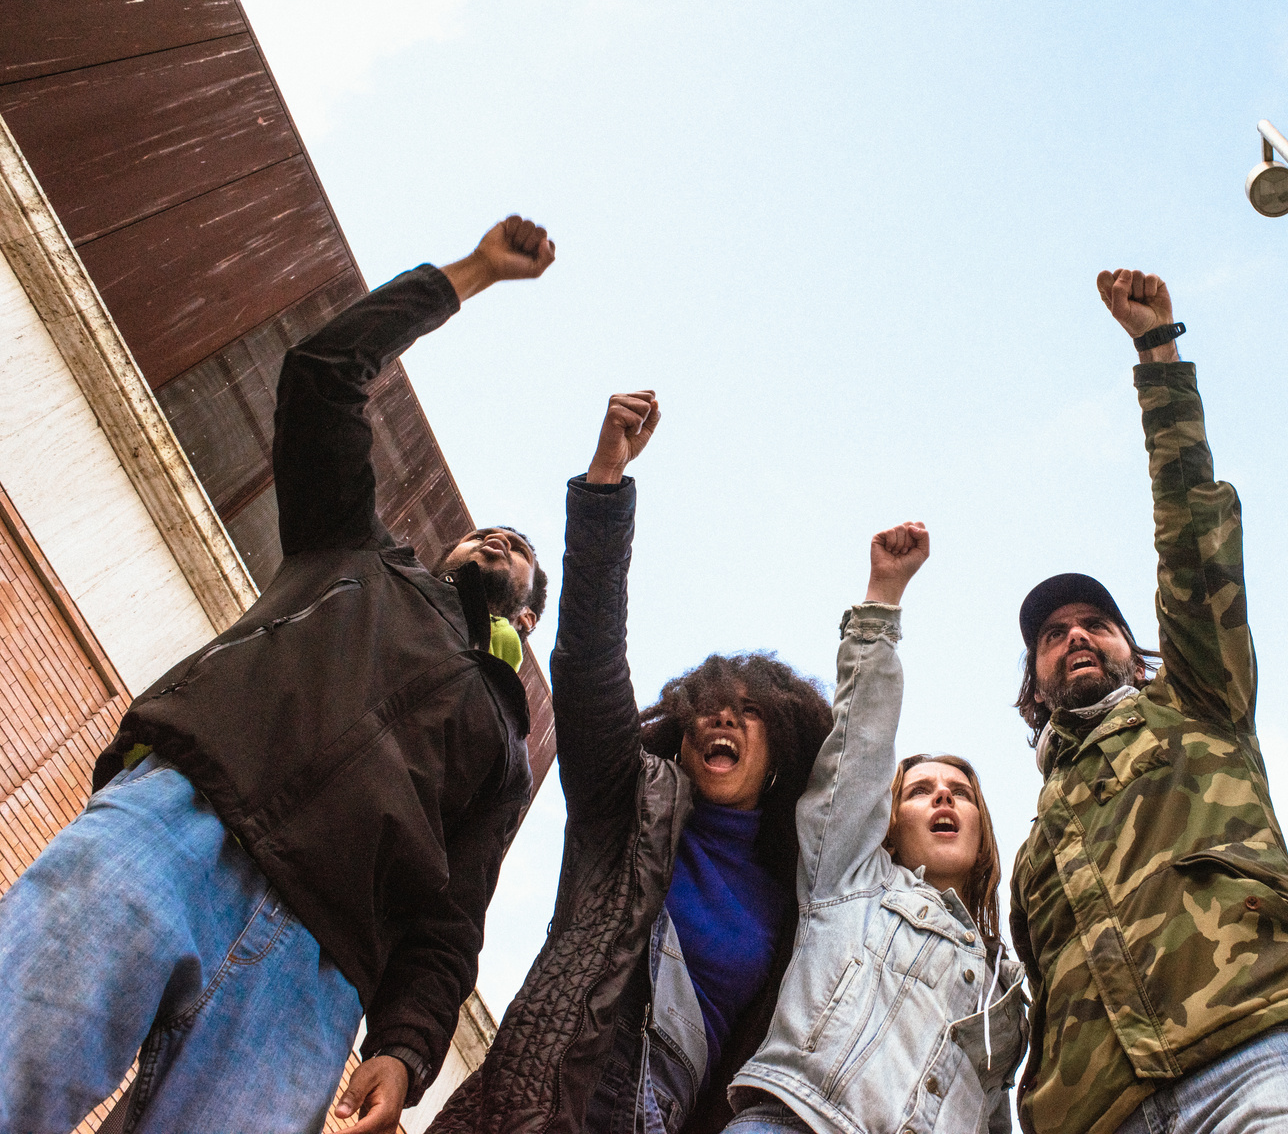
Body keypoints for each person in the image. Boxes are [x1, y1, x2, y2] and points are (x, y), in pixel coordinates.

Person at [0, 216, 557, 1134]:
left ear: (526, 616)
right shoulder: (354, 549)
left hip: (314, 972)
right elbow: (321, 376)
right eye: (486, 531)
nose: (501, 539)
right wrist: (471, 274)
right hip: (179, 827)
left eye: (522, 553)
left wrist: (409, 1048)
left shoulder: (503, 750)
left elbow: (453, 916)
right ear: (447, 550)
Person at [1008, 270, 1288, 1134]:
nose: (1075, 636)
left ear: (1134, 649)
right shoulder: (1030, 856)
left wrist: (1158, 357)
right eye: (1053, 633)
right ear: (1034, 681)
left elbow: (1193, 538)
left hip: (1259, 1050)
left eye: (1095, 621)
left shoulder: (1197, 704)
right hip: (1099, 1113)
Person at [428, 391, 835, 1134]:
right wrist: (606, 484)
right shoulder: (628, 800)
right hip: (539, 1093)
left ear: (778, 751)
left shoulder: (795, 890)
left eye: (747, 711)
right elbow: (587, 664)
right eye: (705, 706)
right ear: (677, 734)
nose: (720, 716)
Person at [726, 521, 1029, 1134]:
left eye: (960, 793)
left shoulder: (1011, 989)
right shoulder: (852, 876)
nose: (943, 795)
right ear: (890, 823)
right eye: (920, 791)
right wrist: (882, 599)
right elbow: (859, 750)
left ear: (982, 828)